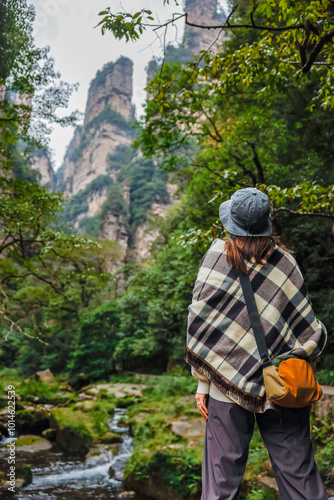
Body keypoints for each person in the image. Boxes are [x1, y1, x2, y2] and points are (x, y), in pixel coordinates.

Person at [184, 187, 328, 500]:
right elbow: (307, 327)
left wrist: (202, 385)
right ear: (266, 224)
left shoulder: (215, 259)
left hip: (225, 387)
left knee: (221, 484)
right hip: (282, 384)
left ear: (231, 224)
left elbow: (201, 325)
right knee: (301, 478)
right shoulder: (286, 262)